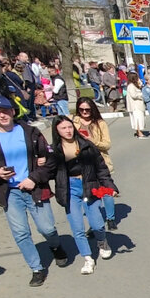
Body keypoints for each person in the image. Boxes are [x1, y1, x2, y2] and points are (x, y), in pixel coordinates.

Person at [0, 96, 70, 286]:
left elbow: (49, 160)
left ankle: (55, 245)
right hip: (9, 192)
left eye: (5, 110)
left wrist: (33, 178)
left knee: (47, 228)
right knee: (21, 233)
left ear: (12, 111)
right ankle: (36, 268)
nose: (2, 115)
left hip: (34, 188)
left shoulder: (31, 132)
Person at [49, 116, 115, 274]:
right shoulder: (54, 149)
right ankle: (88, 259)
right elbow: (48, 171)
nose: (68, 131)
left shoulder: (86, 145)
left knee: (98, 224)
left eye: (69, 127)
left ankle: (102, 241)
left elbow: (101, 167)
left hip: (89, 185)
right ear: (57, 131)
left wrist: (109, 186)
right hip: (69, 189)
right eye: (63, 128)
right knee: (77, 227)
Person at [73, 98, 119, 229]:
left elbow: (107, 144)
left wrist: (92, 141)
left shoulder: (100, 123)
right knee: (90, 193)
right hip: (82, 163)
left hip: (100, 161)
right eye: (81, 109)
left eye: (87, 109)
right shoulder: (74, 122)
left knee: (107, 191)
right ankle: (95, 224)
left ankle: (111, 218)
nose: (84, 112)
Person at [124, 72, 147, 138]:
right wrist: (141, 95)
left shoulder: (135, 85)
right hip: (135, 106)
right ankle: (139, 133)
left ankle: (138, 132)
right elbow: (134, 95)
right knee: (138, 119)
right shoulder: (131, 86)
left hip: (138, 104)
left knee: (139, 118)